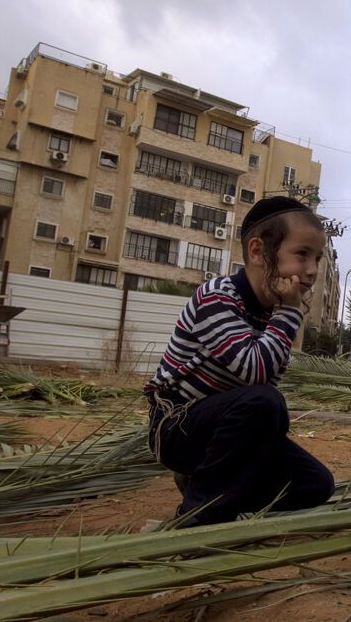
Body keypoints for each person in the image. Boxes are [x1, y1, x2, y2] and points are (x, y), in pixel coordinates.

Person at [144, 197, 336, 526]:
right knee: (265, 402)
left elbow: (265, 384)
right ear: (258, 251)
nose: (312, 271)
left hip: (228, 433)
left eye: (317, 259)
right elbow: (255, 373)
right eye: (301, 254)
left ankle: (212, 487)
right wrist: (289, 313)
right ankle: (196, 517)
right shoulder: (218, 296)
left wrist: (283, 315)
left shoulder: (274, 312)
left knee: (316, 484)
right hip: (177, 428)